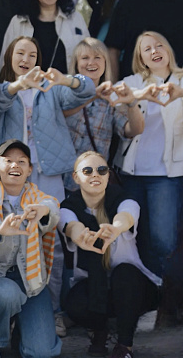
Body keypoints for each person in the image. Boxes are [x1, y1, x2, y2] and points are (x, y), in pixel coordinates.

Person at [60, 151, 161, 358]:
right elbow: (69, 225)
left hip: (135, 290)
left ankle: (125, 346)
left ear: (108, 175)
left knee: (124, 274)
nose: (95, 175)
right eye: (87, 171)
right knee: (75, 303)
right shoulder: (68, 206)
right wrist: (81, 236)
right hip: (95, 288)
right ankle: (99, 331)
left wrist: (115, 229)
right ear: (76, 177)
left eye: (101, 170)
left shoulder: (123, 199)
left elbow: (128, 214)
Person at [0, 139, 62, 358]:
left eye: (21, 161)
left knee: (41, 352)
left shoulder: (38, 197)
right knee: (6, 295)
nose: (14, 165)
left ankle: (21, 329)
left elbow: (52, 206)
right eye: (8, 160)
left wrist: (43, 211)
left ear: (29, 170)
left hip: (30, 281)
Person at [0, 35, 94, 202]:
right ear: (9, 56)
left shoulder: (50, 87)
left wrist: (66, 80)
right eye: (20, 53)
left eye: (32, 55)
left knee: (51, 213)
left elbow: (87, 90)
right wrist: (19, 85)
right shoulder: (2, 89)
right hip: (12, 168)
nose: (26, 59)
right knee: (14, 214)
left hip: (47, 167)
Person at [114, 31, 183, 277]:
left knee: (163, 240)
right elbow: (111, 96)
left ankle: (167, 291)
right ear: (140, 59)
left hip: (166, 175)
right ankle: (144, 290)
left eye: (159, 45)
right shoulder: (133, 82)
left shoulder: (181, 80)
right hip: (131, 172)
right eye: (147, 49)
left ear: (169, 51)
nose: (155, 51)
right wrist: (138, 96)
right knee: (133, 237)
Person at [62, 38, 143, 192]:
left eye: (97, 57)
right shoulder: (64, 92)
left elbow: (133, 130)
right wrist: (94, 95)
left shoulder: (111, 98)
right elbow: (61, 113)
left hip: (94, 182)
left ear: (106, 63)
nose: (91, 62)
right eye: (85, 58)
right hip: (60, 180)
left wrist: (132, 103)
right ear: (76, 64)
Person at [0, 0, 89, 74]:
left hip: (67, 84)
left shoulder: (75, 19)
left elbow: (88, 58)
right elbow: (5, 64)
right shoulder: (18, 22)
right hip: (27, 85)